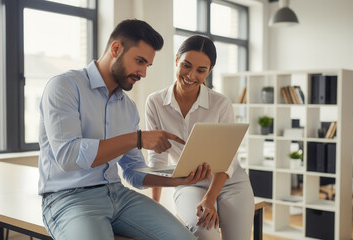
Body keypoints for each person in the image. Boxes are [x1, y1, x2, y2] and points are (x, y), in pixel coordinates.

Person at [38, 19, 212, 240]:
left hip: (119, 195)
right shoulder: (64, 86)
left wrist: (177, 180)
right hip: (68, 199)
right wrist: (136, 139)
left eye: (147, 65)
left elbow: (132, 171)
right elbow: (68, 155)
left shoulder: (128, 108)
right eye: (139, 61)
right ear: (116, 49)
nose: (143, 73)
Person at [145, 35, 255, 240]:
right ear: (176, 60)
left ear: (209, 71)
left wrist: (210, 198)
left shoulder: (220, 103)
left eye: (201, 70)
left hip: (230, 182)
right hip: (189, 183)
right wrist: (155, 205)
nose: (191, 75)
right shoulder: (155, 103)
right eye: (186, 65)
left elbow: (227, 158)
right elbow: (157, 159)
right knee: (206, 234)